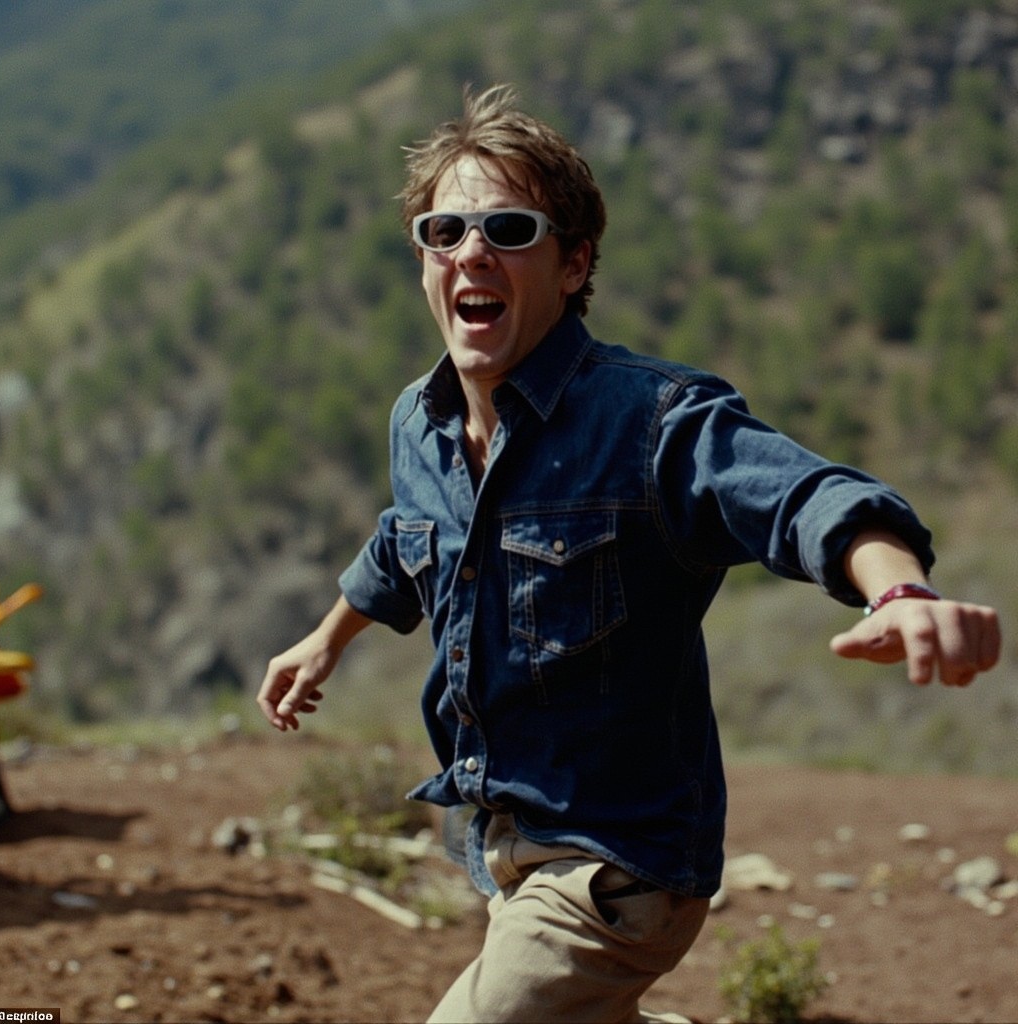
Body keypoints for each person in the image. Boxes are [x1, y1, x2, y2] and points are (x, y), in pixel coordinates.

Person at [257, 85, 1001, 1023]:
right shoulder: (422, 420)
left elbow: (811, 496)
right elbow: (404, 539)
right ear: (424, 261)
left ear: (574, 264)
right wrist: (326, 639)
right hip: (501, 846)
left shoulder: (650, 421)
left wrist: (898, 592)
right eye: (445, 231)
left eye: (509, 229)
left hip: (619, 868)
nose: (471, 252)